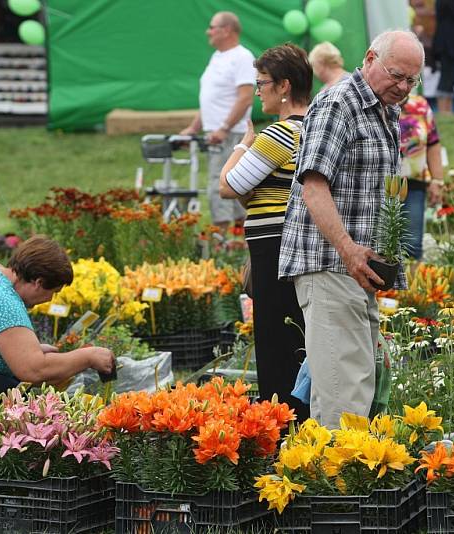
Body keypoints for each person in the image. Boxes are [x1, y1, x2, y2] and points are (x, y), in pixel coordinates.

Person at [279, 30, 424, 429]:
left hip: (358, 270)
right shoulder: (338, 103)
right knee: (345, 396)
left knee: (353, 386)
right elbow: (312, 184)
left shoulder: (384, 108)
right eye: (396, 75)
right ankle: (338, 487)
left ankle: (335, 482)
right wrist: (347, 248)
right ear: (370, 57)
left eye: (412, 80)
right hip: (329, 262)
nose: (403, 86)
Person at [219, 43, 312, 422]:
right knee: (295, 337)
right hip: (292, 243)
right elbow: (256, 195)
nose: (257, 91)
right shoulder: (312, 128)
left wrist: (243, 143)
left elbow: (229, 185)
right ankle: (299, 419)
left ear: (284, 86)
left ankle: (280, 424)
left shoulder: (279, 134)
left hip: (273, 248)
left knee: (275, 341)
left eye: (262, 83)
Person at [0, 236, 115, 395]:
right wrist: (88, 357)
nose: (50, 299)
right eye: (53, 291)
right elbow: (34, 369)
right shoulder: (5, 302)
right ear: (38, 282)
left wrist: (26, 349)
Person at [180, 11, 256, 231]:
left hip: (231, 134)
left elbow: (245, 97)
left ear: (227, 30)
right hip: (216, 133)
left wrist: (224, 128)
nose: (208, 31)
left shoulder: (241, 57)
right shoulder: (217, 57)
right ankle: (227, 241)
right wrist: (194, 128)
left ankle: (226, 241)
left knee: (225, 185)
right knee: (220, 184)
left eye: (212, 27)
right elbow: (210, 99)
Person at [399, 93, 444, 259]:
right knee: (379, 246)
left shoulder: (420, 105)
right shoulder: (375, 101)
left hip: (414, 184)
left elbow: (433, 143)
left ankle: (414, 284)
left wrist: (437, 180)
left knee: (412, 246)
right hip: (378, 186)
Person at [432, 0, 454, 114]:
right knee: (446, 78)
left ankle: (447, 111)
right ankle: (444, 111)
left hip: (446, 43)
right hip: (448, 45)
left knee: (450, 78)